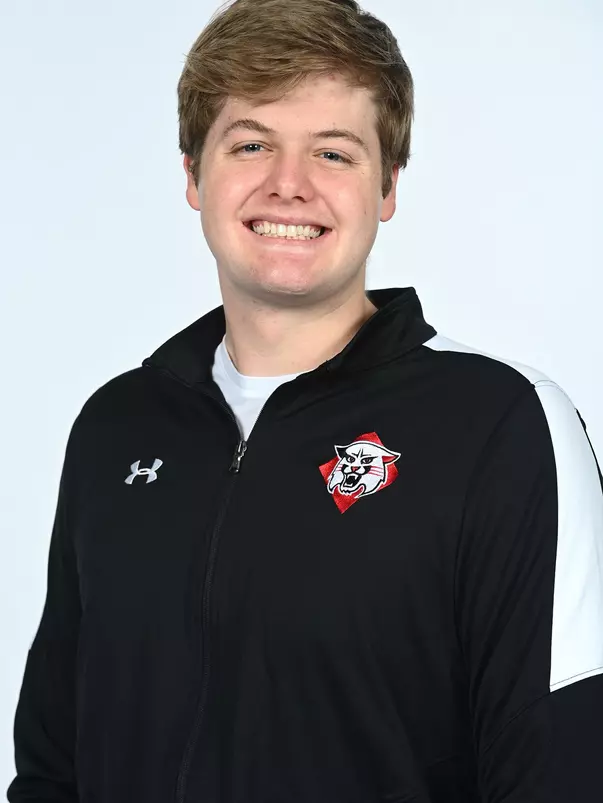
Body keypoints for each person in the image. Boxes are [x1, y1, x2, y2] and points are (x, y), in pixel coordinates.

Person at [7, 0, 603, 800]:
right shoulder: (117, 427)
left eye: (332, 152)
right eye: (251, 144)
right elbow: (52, 763)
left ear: (387, 187)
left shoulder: (502, 426)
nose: (288, 185)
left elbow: (563, 764)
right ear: (193, 175)